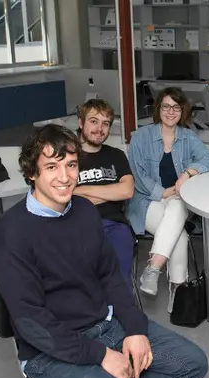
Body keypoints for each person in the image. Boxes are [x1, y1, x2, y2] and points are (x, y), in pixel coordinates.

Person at [0, 125, 208, 378]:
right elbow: (31, 323)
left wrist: (134, 329)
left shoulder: (85, 211)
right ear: (32, 173)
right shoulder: (9, 233)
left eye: (71, 165)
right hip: (50, 351)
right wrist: (102, 356)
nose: (64, 177)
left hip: (106, 325)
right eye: (51, 166)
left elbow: (110, 278)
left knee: (192, 363)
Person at [127, 87, 209, 310]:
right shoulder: (141, 136)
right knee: (180, 236)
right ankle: (178, 294)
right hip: (147, 201)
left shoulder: (188, 137)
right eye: (166, 106)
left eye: (176, 107)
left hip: (175, 201)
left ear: (182, 111)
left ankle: (153, 269)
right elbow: (138, 176)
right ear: (158, 108)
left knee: (177, 205)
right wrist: (163, 192)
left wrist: (188, 172)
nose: (170, 112)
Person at [74, 99, 135, 294]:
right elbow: (66, 196)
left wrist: (82, 190)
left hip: (114, 225)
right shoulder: (68, 158)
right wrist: (111, 193)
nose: (100, 128)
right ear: (81, 123)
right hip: (77, 225)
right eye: (94, 121)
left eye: (105, 123)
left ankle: (122, 318)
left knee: (118, 278)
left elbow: (126, 191)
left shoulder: (116, 155)